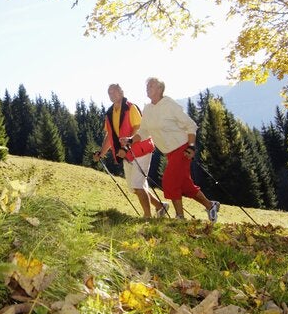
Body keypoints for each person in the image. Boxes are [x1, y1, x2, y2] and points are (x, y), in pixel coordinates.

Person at [131, 77, 220, 222]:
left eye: (151, 86)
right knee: (185, 185)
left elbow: (191, 125)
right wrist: (130, 140)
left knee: (169, 181)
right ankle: (210, 205)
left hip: (182, 148)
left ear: (160, 88)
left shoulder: (169, 105)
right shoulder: (147, 109)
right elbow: (144, 131)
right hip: (169, 153)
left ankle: (180, 217)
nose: (147, 88)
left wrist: (191, 146)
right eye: (147, 86)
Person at [93, 83, 168, 218]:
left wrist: (125, 147)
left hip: (141, 149)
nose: (112, 95)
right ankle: (160, 206)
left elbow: (138, 129)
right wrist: (101, 153)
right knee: (134, 187)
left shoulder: (130, 107)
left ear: (121, 92)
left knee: (137, 184)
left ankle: (147, 217)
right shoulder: (110, 113)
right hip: (127, 154)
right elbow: (110, 136)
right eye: (109, 93)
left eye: (115, 91)